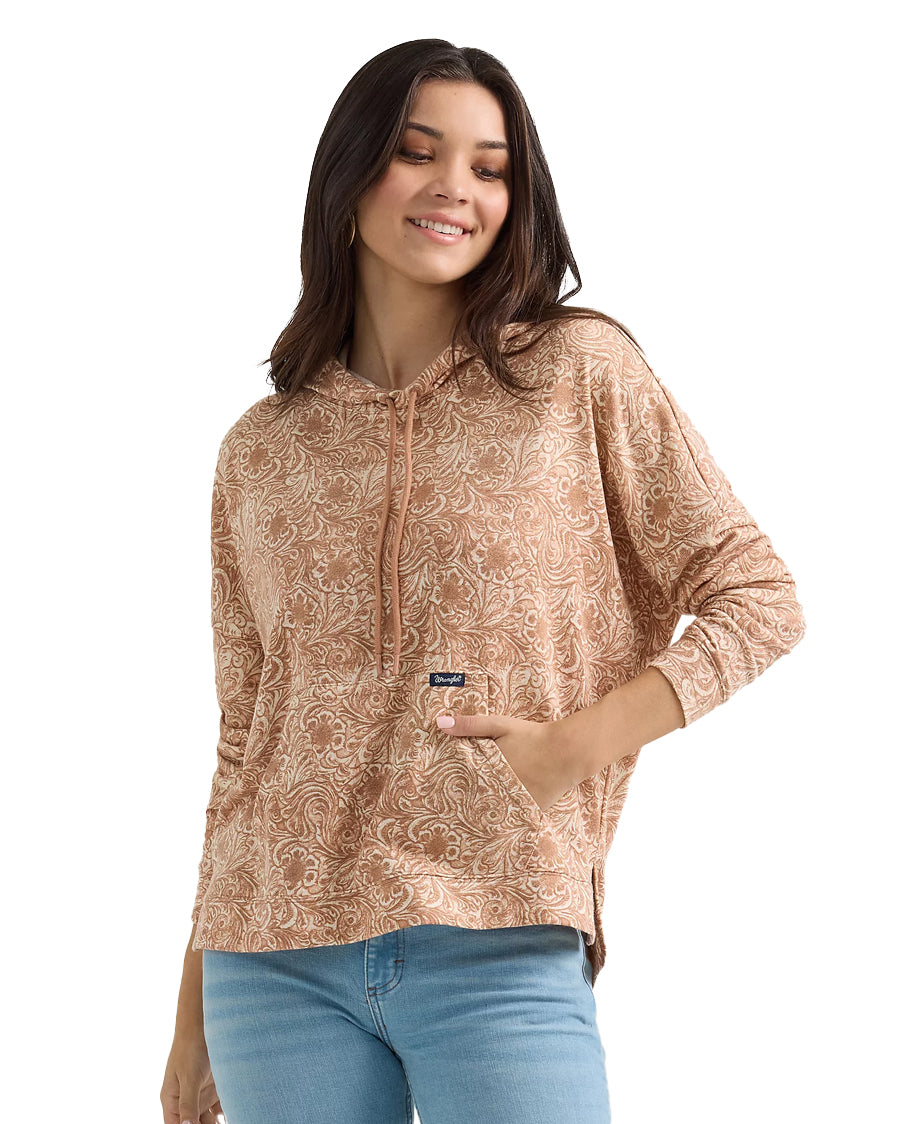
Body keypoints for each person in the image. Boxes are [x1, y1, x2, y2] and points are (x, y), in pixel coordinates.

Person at [160, 39, 807, 1124]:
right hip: (269, 965)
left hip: (501, 935)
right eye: (418, 153)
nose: (455, 186)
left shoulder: (577, 374)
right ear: (349, 175)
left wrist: (576, 744)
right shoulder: (260, 449)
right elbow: (244, 742)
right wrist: (190, 1014)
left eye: (489, 166)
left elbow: (759, 597)